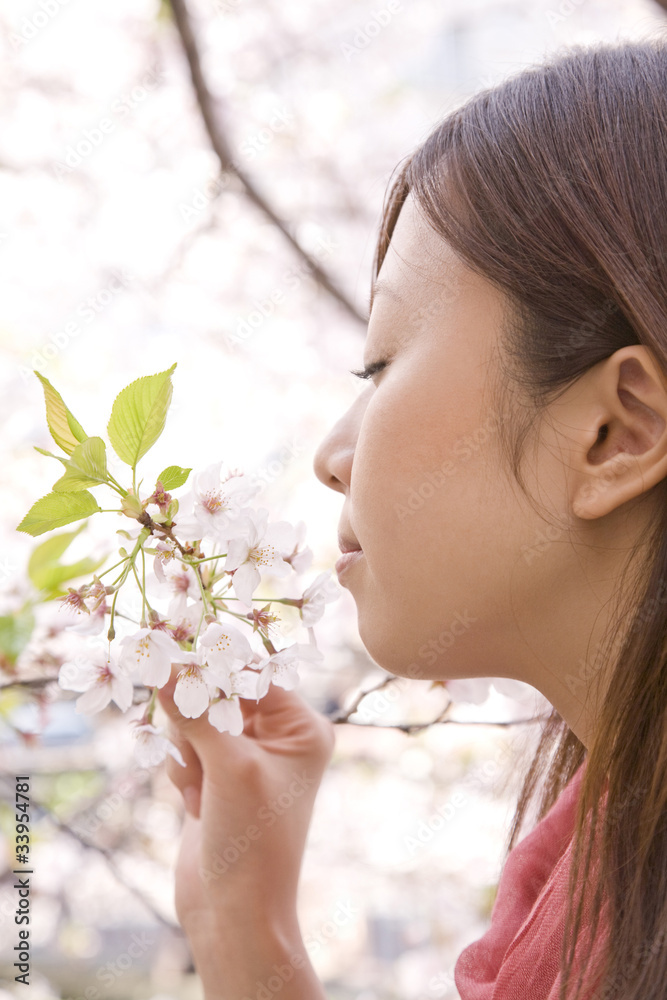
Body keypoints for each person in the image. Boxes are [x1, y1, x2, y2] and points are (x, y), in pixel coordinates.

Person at [157, 38, 667, 1000]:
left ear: (615, 433)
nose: (330, 456)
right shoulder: (588, 870)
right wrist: (241, 928)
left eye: (381, 364)